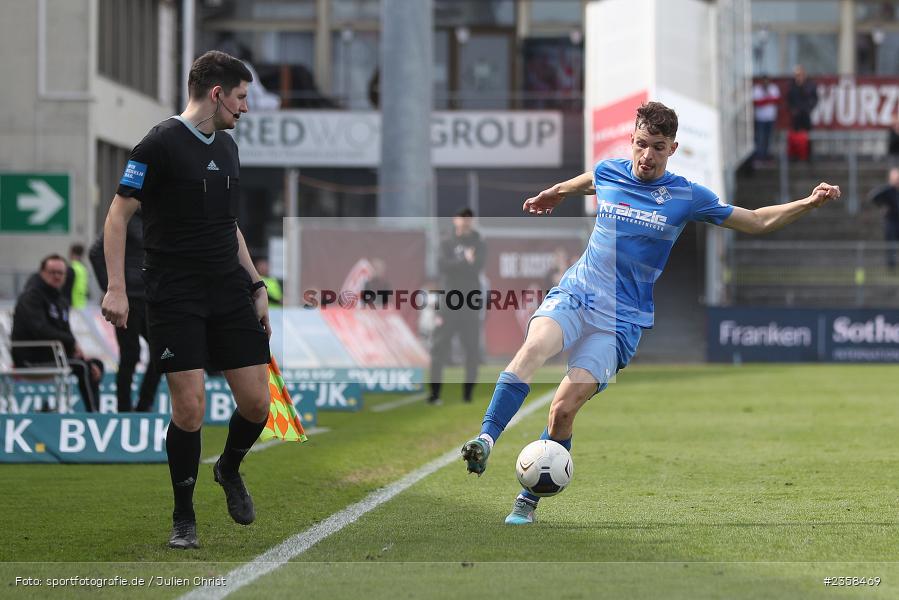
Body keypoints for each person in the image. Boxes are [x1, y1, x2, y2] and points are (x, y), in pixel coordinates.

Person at [459, 101, 841, 525]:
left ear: (672, 148)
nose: (647, 155)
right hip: (578, 294)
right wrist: (558, 191)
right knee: (534, 347)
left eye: (657, 147)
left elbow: (754, 221)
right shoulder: (611, 171)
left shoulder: (686, 196)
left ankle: (527, 501)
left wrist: (807, 203)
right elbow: (591, 179)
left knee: (563, 410)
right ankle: (486, 439)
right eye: (641, 144)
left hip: (621, 322)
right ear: (632, 141)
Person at [101, 50, 272, 550]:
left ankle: (229, 467)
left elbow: (229, 225)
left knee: (258, 404)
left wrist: (256, 285)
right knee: (190, 408)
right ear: (217, 93)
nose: (244, 109)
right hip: (175, 294)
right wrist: (115, 287)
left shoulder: (228, 146)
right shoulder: (157, 144)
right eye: (241, 98)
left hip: (228, 289)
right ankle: (184, 517)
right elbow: (117, 217)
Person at [89, 210, 162, 412]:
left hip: (150, 300)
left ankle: (143, 406)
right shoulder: (125, 217)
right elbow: (95, 253)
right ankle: (123, 410)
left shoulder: (155, 218)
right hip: (128, 301)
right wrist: (112, 290)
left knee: (161, 352)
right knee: (130, 355)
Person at [11, 254, 104, 412]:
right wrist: (71, 343)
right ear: (42, 272)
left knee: (95, 364)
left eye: (60, 273)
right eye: (52, 272)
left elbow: (65, 332)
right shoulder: (31, 297)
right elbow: (41, 330)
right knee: (82, 366)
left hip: (54, 355)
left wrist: (78, 351)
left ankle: (94, 413)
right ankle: (93, 415)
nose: (56, 276)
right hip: (30, 358)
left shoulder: (60, 300)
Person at [428, 208, 486, 405]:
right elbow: (442, 266)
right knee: (439, 347)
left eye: (469, 219)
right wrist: (464, 261)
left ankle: (467, 394)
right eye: (462, 218)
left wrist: (463, 264)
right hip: (448, 302)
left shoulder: (479, 243)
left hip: (470, 303)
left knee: (471, 349)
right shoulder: (446, 243)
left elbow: (478, 266)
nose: (466, 222)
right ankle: (435, 394)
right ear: (455, 220)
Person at [867, 167, 899, 270]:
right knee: (890, 243)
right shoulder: (887, 189)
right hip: (891, 221)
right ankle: (891, 266)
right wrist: (883, 206)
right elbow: (873, 196)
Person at [787, 65, 817, 160]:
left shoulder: (809, 85)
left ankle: (808, 155)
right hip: (797, 115)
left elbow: (814, 98)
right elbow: (789, 99)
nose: (798, 77)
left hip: (805, 113)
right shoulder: (792, 86)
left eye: (800, 75)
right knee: (795, 136)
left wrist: (809, 108)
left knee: (807, 135)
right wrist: (793, 109)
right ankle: (796, 155)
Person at [752, 75, 780, 163]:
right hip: (760, 118)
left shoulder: (773, 88)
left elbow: (776, 100)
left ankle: (767, 155)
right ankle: (760, 155)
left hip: (770, 117)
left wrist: (766, 98)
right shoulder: (757, 89)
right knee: (760, 137)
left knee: (769, 137)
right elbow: (757, 102)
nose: (765, 83)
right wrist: (768, 99)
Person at [62, 243, 90, 309]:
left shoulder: (71, 268)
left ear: (71, 253)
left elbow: (66, 288)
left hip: (72, 304)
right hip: (82, 303)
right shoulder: (83, 268)